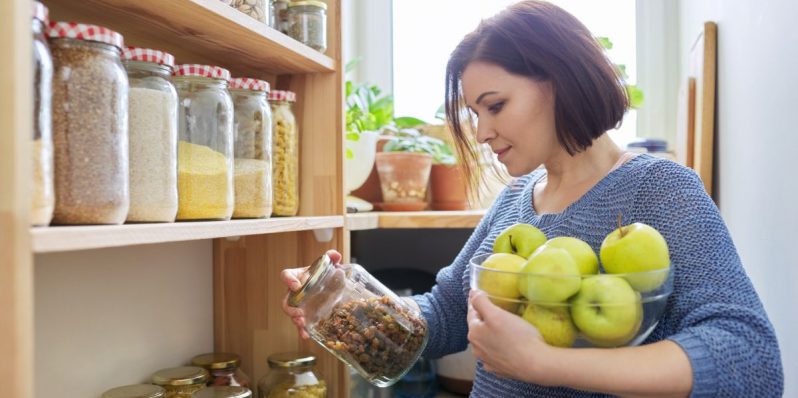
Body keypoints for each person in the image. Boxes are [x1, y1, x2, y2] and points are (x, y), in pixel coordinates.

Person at [281, 1, 784, 396]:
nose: (481, 133)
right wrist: (347, 304)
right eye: (475, 114)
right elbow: (450, 315)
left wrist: (545, 363)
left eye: (494, 106)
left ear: (559, 79)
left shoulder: (660, 189)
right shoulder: (516, 200)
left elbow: (751, 359)